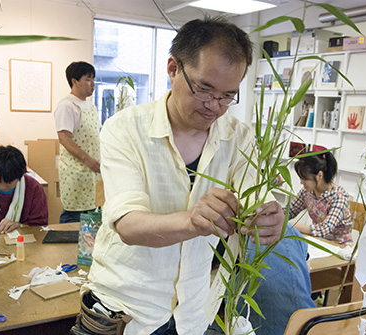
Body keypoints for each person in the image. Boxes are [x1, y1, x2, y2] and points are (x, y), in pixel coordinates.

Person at [74, 17, 284, 335]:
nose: (215, 105)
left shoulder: (239, 138)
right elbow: (129, 224)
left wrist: (268, 218)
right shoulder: (125, 129)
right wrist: (192, 221)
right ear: (173, 68)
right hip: (127, 311)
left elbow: (254, 197)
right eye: (204, 89)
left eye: (228, 95)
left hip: (193, 312)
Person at [54, 61, 101, 224]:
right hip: (77, 173)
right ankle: (65, 248)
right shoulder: (67, 105)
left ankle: (87, 250)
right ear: (75, 81)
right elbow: (64, 138)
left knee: (92, 217)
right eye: (88, 79)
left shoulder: (90, 106)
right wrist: (88, 160)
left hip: (92, 173)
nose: (93, 84)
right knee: (74, 217)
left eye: (93, 79)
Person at [290, 145, 353, 246]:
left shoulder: (339, 196)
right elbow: (291, 211)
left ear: (320, 175)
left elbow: (325, 228)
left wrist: (289, 226)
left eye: (305, 178)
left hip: (339, 246)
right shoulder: (307, 192)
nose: (301, 182)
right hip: (318, 242)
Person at [0, 145, 48, 233]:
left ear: (20, 176)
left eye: (8, 182)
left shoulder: (33, 188)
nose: (2, 187)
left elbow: (40, 225)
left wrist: (20, 225)